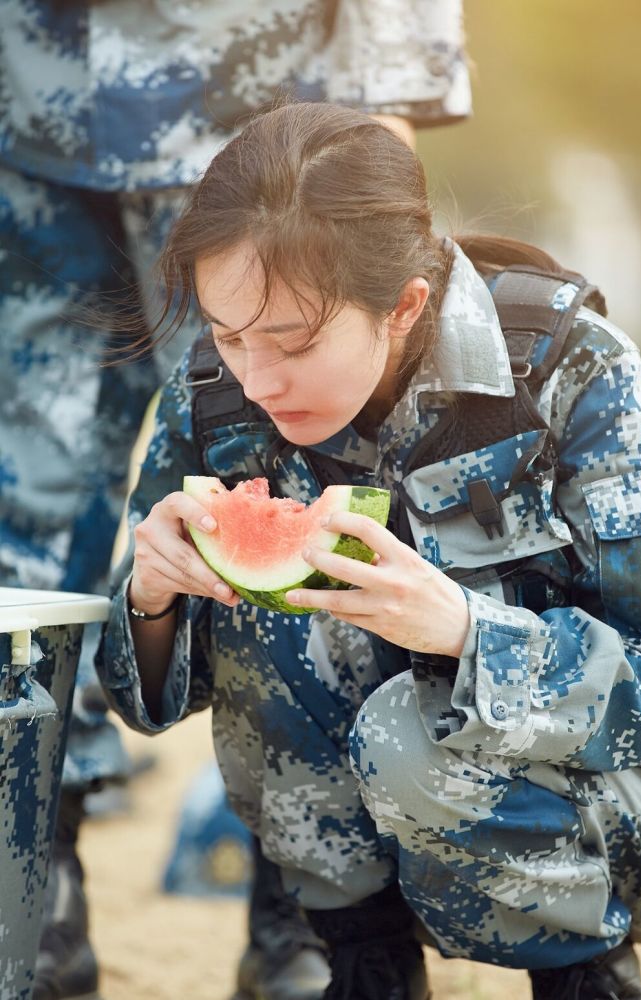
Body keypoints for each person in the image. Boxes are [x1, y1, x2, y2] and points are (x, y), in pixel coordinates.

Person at [96, 101, 641, 1000]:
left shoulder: (577, 374)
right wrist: (151, 598)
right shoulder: (217, 397)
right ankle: (363, 962)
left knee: (404, 736)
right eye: (229, 336)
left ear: (404, 305)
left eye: (293, 341)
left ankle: (585, 972)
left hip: (634, 830)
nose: (256, 379)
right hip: (351, 853)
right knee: (282, 622)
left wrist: (464, 632)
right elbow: (138, 703)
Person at [0, 5, 471, 999]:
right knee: (17, 512)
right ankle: (33, 870)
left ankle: (299, 897)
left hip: (258, 119)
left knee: (301, 488)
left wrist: (385, 100)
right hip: (26, 113)